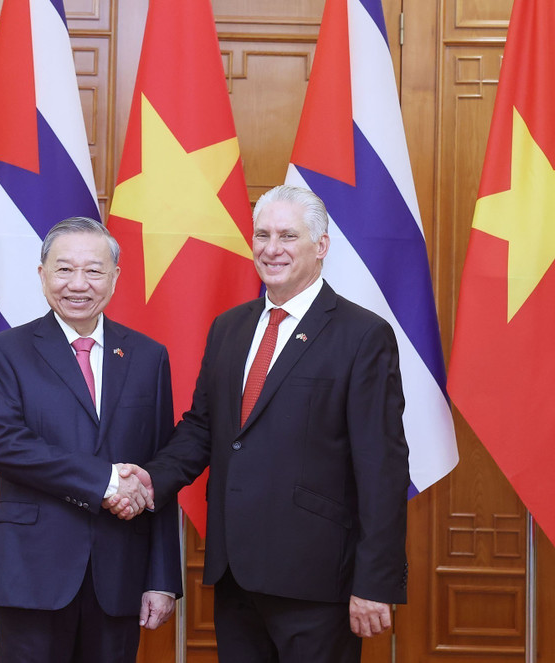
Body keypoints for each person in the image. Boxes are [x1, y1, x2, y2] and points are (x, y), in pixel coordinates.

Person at [108, 185, 409, 662]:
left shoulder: (363, 336)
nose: (272, 249)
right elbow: (203, 428)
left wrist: (375, 580)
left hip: (317, 580)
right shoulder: (230, 327)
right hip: (236, 574)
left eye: (288, 235)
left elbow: (383, 467)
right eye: (262, 235)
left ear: (322, 246)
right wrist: (151, 478)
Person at [0, 217, 182, 663]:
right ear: (42, 274)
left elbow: (159, 469)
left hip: (120, 574)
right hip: (32, 572)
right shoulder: (5, 352)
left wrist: (163, 577)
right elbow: (5, 444)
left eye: (93, 270)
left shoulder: (149, 356)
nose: (78, 284)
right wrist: (106, 481)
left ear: (114, 278)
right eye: (64, 269)